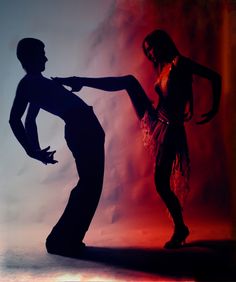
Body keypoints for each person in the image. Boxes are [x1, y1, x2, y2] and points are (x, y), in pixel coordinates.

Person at [52, 29, 221, 248]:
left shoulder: (180, 63)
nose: (150, 54)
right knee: (129, 82)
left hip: (170, 129)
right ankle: (79, 81)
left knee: (161, 183)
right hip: (156, 120)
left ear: (163, 44)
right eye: (147, 51)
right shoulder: (162, 67)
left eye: (152, 48)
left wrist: (214, 108)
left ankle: (180, 227)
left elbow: (215, 77)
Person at [9, 38, 105, 256]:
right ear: (29, 57)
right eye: (42, 53)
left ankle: (67, 239)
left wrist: (35, 149)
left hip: (84, 128)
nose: (46, 57)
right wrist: (31, 150)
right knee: (89, 185)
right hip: (82, 129)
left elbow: (30, 119)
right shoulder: (28, 84)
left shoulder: (37, 82)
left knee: (90, 185)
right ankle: (61, 240)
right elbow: (15, 119)